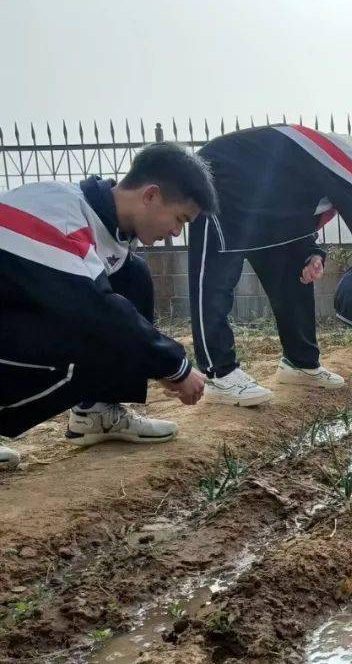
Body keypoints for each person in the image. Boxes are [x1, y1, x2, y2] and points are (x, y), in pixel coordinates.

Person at [0, 143, 215, 467]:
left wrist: (153, 361)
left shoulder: (106, 228)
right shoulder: (59, 209)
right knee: (88, 336)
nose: (175, 231)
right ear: (151, 195)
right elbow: (95, 310)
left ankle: (97, 412)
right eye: (179, 218)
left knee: (132, 275)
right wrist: (174, 366)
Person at [189, 124, 352, 406]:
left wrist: (312, 254)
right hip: (222, 181)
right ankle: (219, 375)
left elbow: (296, 214)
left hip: (262, 208)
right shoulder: (348, 159)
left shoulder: (329, 171)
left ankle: (300, 363)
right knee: (215, 280)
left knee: (294, 274)